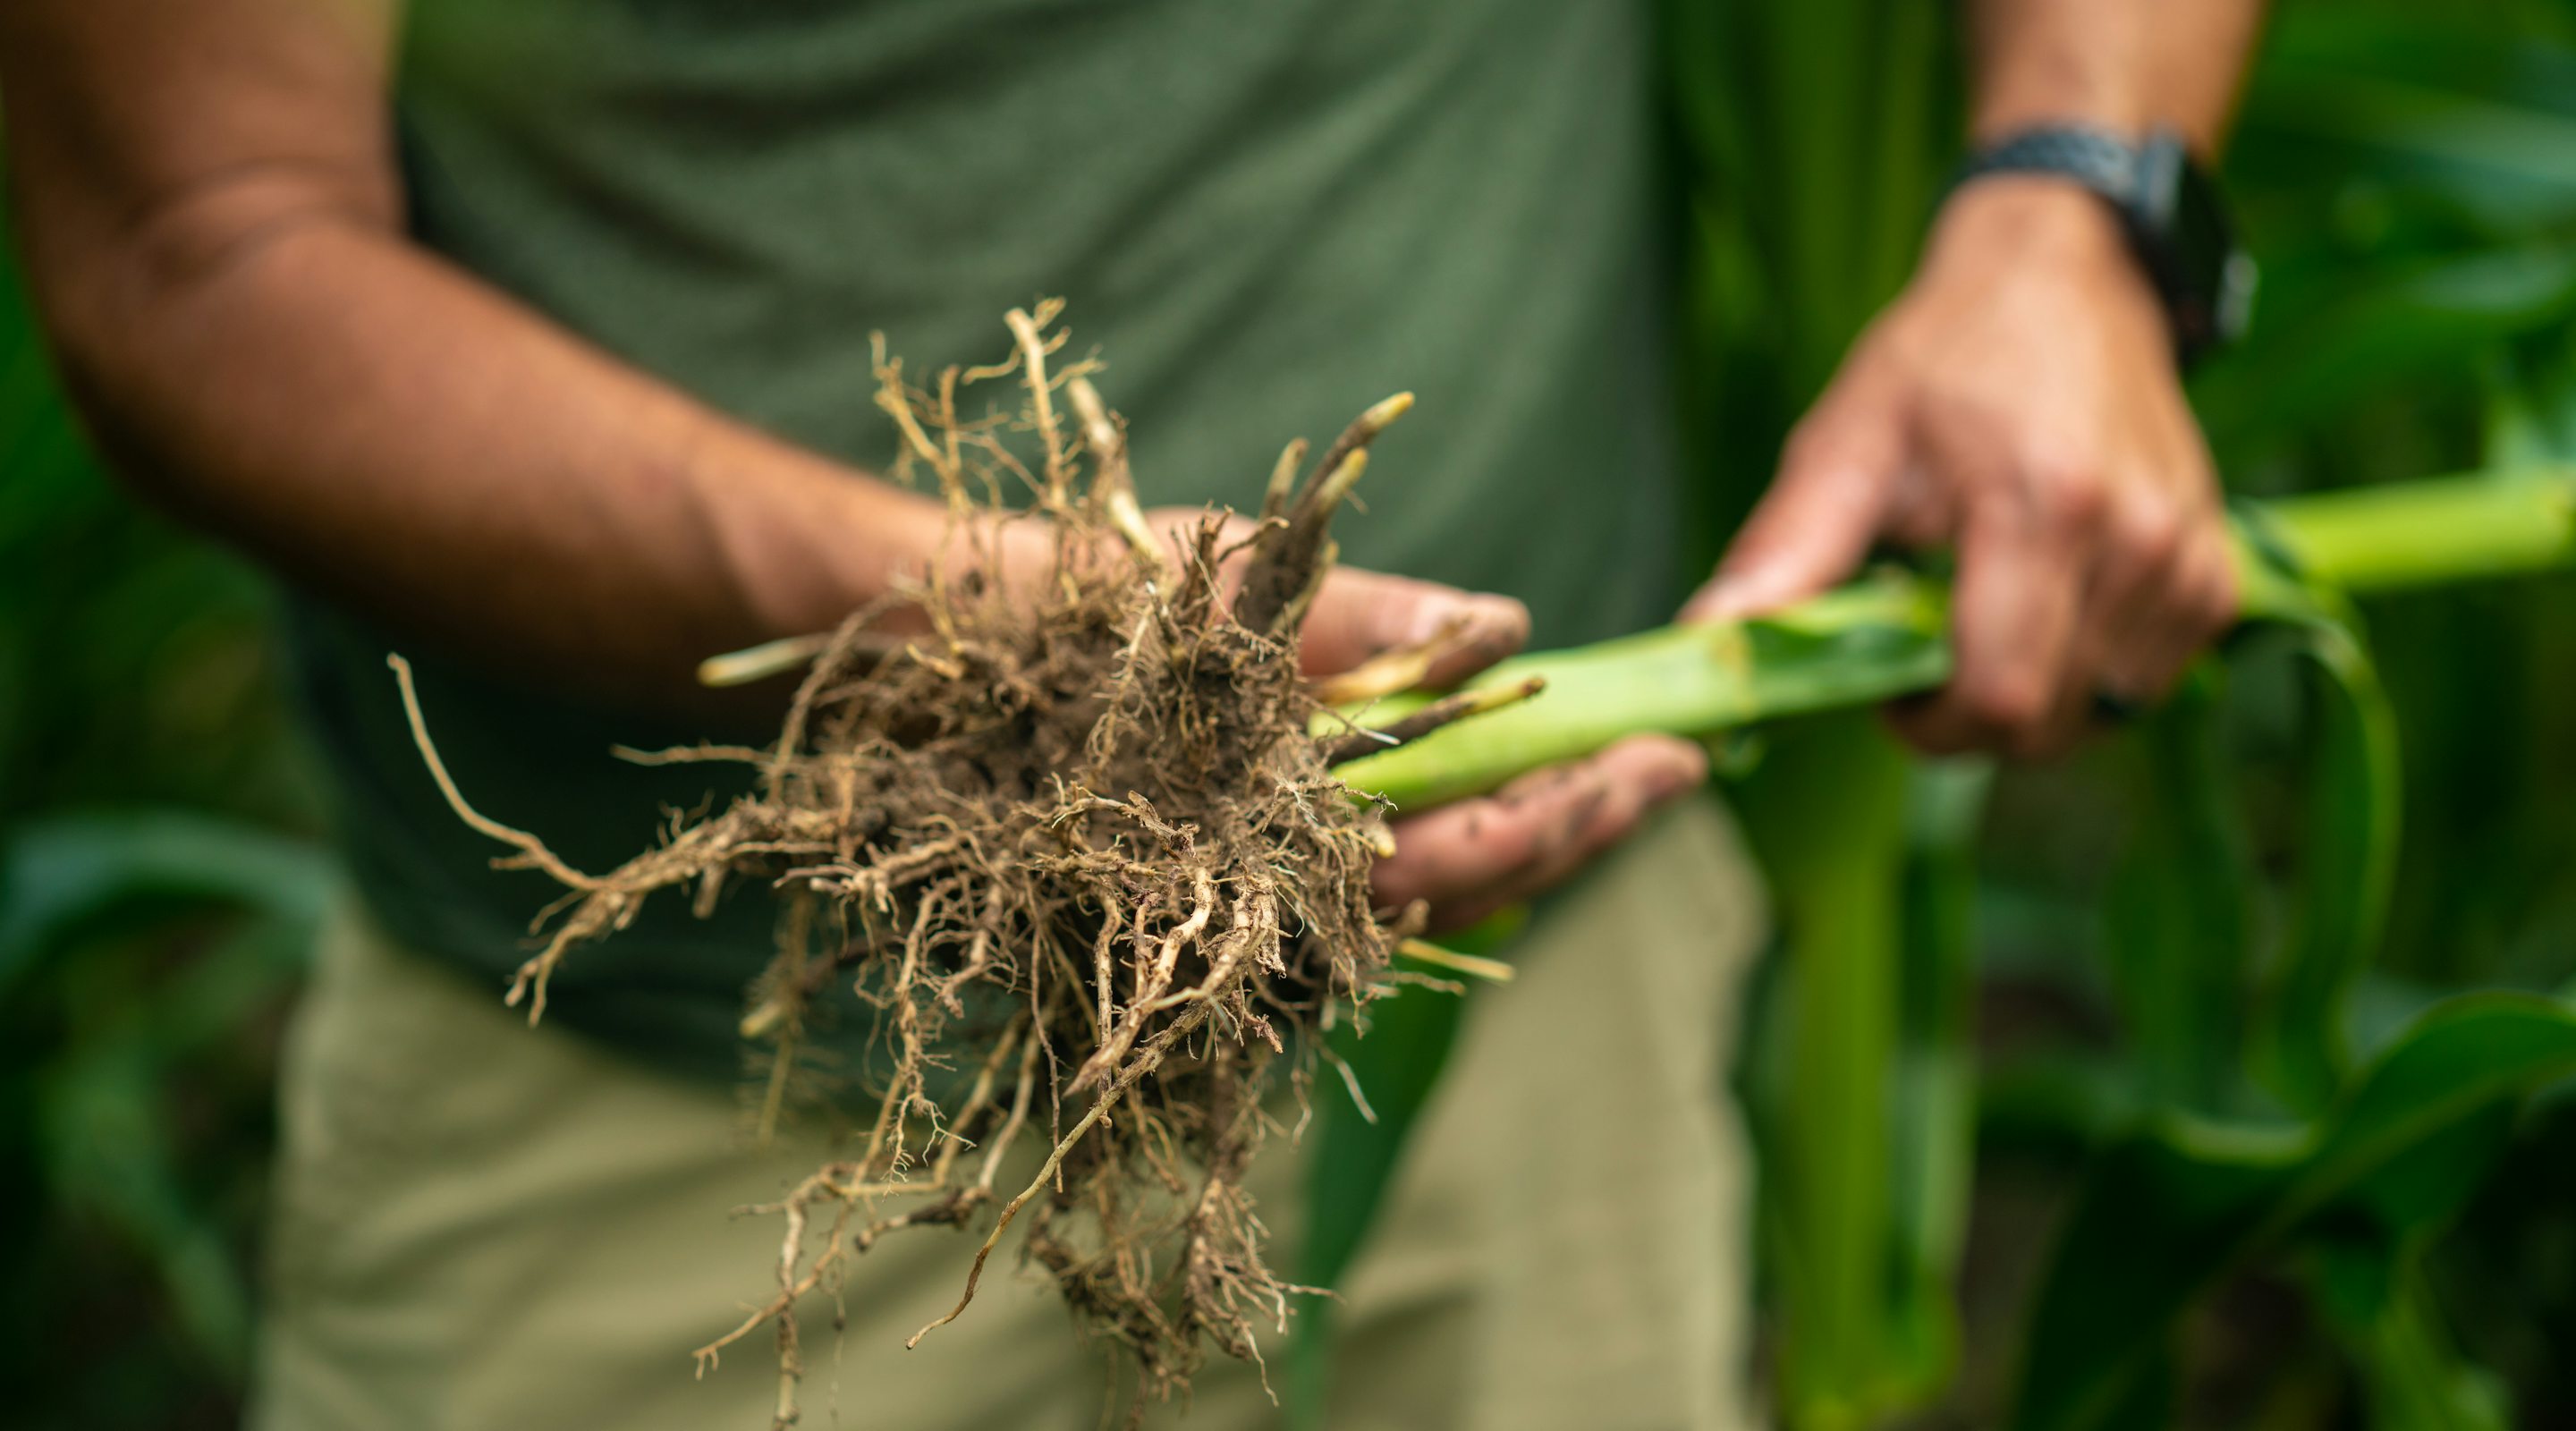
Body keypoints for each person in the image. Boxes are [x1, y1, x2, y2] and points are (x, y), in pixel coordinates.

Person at [0, 0, 2259, 1426]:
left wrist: (2079, 191)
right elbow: (202, 246)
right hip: (691, 1127)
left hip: (1541, 1002)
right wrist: (977, 631)